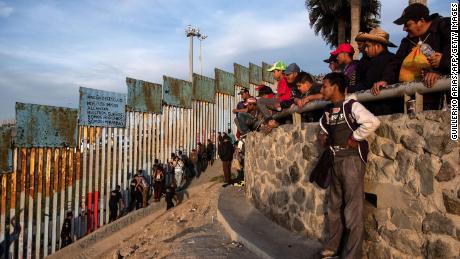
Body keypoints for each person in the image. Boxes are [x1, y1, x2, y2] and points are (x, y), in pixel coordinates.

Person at [318, 72, 380, 259]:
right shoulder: (329, 110)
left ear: (335, 87)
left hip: (351, 161)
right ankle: (332, 247)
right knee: (334, 206)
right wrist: (322, 135)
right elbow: (323, 126)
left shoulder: (352, 105)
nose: (322, 90)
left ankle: (352, 255)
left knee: (353, 210)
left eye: (325, 86)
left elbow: (372, 122)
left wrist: (355, 137)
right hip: (335, 160)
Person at [373, 3, 450, 101]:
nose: (404, 29)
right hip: (415, 100)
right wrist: (385, 80)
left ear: (421, 21)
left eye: (407, 24)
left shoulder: (446, 26)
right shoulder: (407, 41)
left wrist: (442, 66)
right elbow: (395, 63)